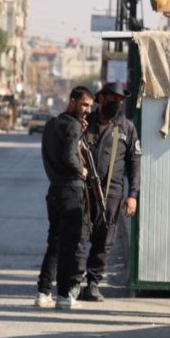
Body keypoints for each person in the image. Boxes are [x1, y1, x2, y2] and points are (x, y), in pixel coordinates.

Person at [79, 82, 141, 302]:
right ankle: (74, 282)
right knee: (79, 236)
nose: (117, 103)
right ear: (101, 99)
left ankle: (93, 283)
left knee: (104, 240)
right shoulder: (86, 124)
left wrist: (132, 195)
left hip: (113, 194)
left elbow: (135, 164)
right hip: (85, 193)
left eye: (120, 100)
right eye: (113, 99)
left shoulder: (126, 128)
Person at [35, 86, 95, 311]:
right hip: (71, 192)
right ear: (72, 102)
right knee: (69, 245)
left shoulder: (52, 125)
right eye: (84, 105)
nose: (87, 110)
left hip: (54, 190)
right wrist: (82, 170)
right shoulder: (73, 125)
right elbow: (70, 157)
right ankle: (62, 296)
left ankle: (43, 292)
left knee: (55, 242)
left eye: (90, 106)